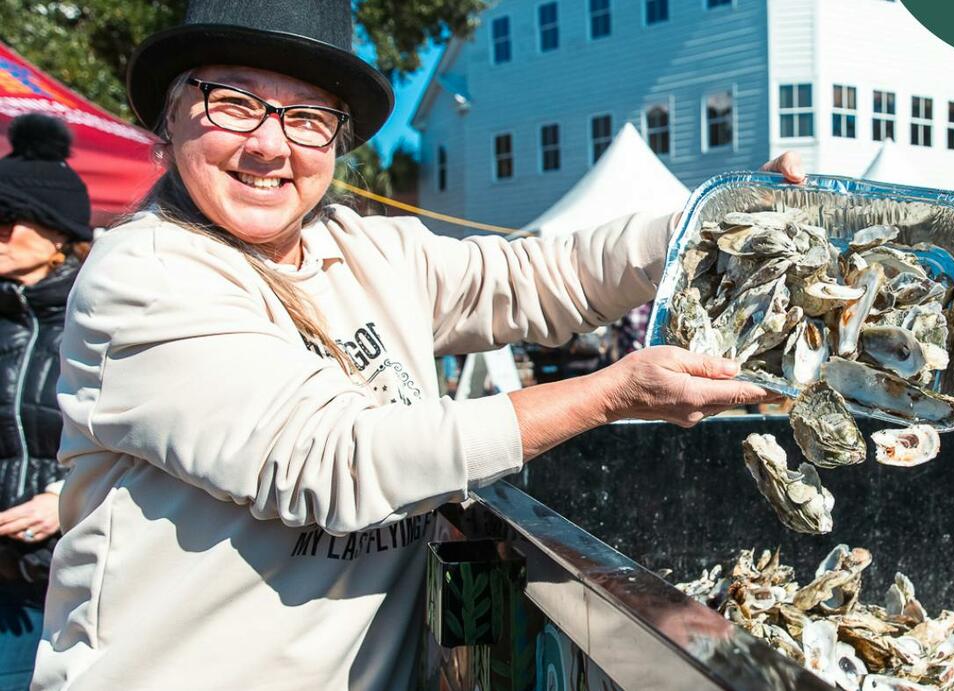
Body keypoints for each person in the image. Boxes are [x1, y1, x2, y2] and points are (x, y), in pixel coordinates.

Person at [32, 2, 798, 688]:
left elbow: (542, 276)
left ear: (337, 139)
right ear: (172, 118)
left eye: (308, 117)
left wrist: (716, 222)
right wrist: (609, 394)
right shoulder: (146, 273)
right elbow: (338, 461)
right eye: (233, 102)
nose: (270, 144)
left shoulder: (360, 247)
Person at [0, 114, 92, 690]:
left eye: (7, 220)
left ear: (57, 234)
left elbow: (143, 443)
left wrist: (63, 499)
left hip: (74, 582)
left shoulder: (101, 320)